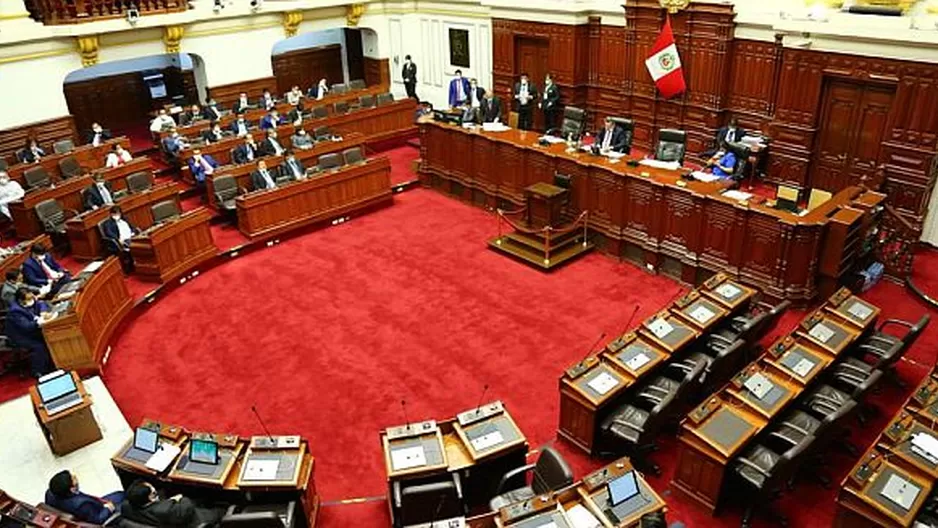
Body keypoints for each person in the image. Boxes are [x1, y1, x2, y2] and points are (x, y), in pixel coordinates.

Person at [122, 481, 220, 528]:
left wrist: (169, 500)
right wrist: (180, 498)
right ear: (151, 498)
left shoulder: (126, 507)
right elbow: (187, 507)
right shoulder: (167, 510)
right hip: (195, 521)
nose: (156, 491)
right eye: (154, 493)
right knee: (220, 509)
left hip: (163, 521)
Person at [5, 287, 55, 377]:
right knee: (39, 346)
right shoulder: (15, 311)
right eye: (29, 299)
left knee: (50, 336)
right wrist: (39, 320)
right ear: (21, 300)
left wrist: (43, 312)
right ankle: (38, 371)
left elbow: (41, 303)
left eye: (31, 298)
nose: (31, 300)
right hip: (20, 336)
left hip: (32, 331)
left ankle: (53, 363)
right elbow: (26, 327)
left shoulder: (29, 301)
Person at [45, 470, 124, 525]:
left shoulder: (50, 493)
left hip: (90, 507)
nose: (75, 476)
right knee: (124, 500)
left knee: (120, 494)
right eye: (74, 478)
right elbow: (98, 519)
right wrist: (108, 509)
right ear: (72, 489)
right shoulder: (81, 505)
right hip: (100, 511)